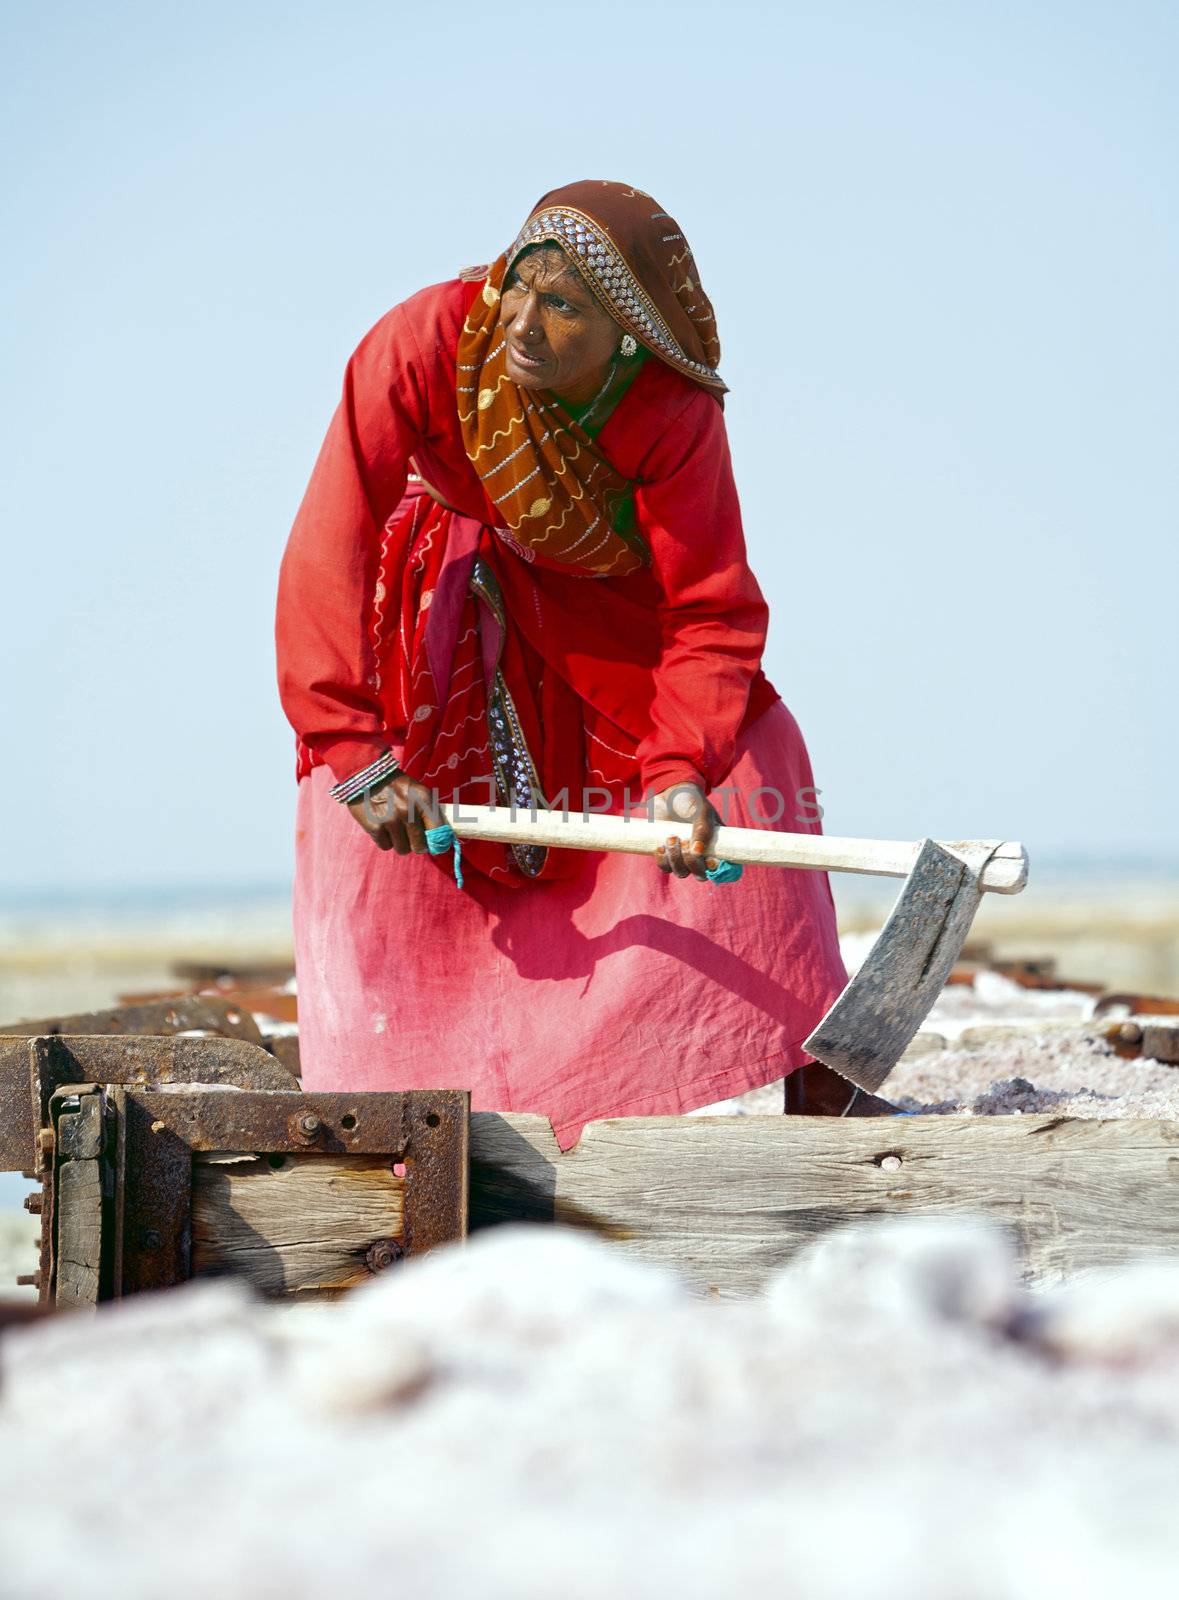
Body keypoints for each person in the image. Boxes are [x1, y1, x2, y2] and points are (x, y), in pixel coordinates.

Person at [275, 178, 894, 1150]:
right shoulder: (423, 340)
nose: (522, 321)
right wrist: (353, 746)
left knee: (759, 756)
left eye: (564, 306)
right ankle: (383, 1093)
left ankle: (818, 1077)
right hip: (448, 590)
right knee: (370, 789)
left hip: (607, 610)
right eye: (517, 286)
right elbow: (333, 539)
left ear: (630, 336)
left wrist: (681, 775)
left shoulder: (672, 409)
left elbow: (711, 604)